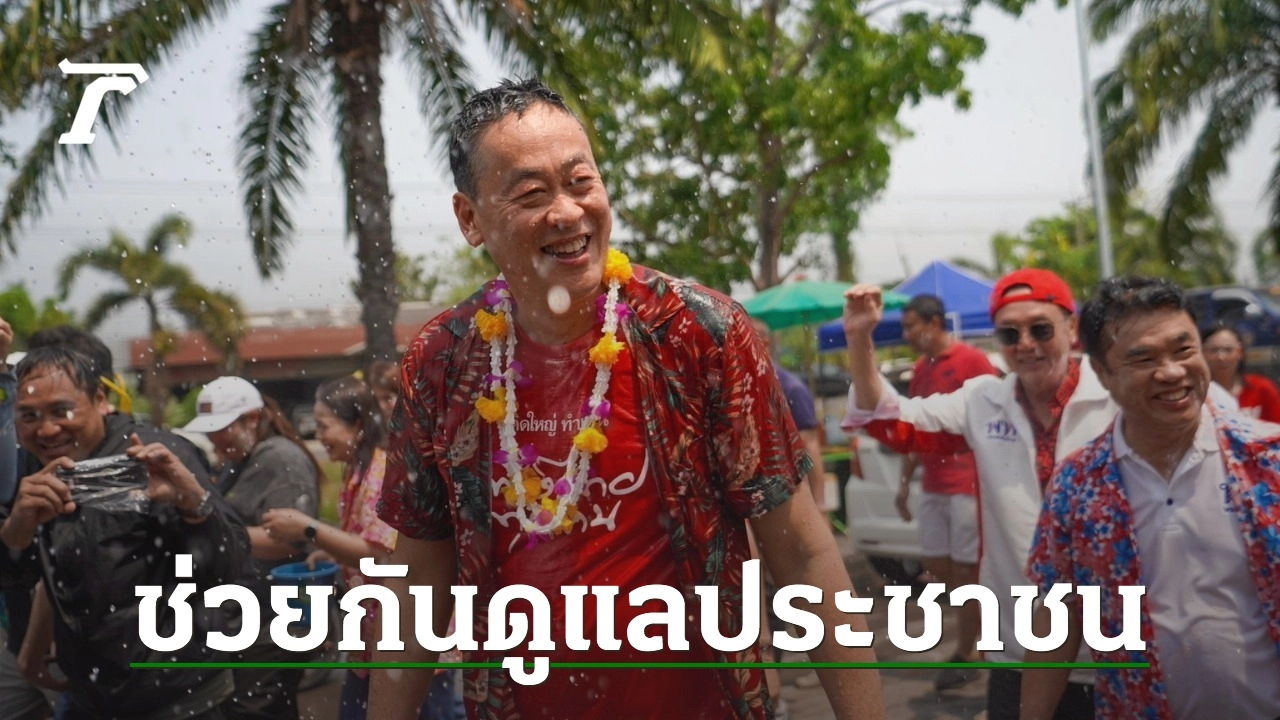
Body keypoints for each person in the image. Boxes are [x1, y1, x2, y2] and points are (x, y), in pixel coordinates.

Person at [368, 78, 885, 720]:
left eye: (580, 181)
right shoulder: (442, 362)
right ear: (470, 219)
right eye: (531, 194)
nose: (567, 212)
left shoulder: (696, 333)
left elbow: (802, 554)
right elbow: (419, 579)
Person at [1021, 276, 1280, 719]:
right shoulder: (1077, 485)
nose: (1172, 372)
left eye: (1184, 350)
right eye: (1143, 358)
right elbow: (1056, 619)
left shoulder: (1268, 460)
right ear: (1102, 373)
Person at [0, 345, 250, 719]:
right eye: (29, 416)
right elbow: (50, 572)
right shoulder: (39, 468)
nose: (47, 429)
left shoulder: (151, 456)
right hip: (93, 696)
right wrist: (16, 532)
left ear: (100, 400)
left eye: (61, 411)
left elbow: (231, 566)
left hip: (179, 697)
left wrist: (193, 505)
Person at [262, 375, 461, 720]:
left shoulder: (381, 471)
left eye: (324, 426)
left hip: (408, 632)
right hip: (374, 633)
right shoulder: (359, 470)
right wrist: (334, 551)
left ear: (355, 425)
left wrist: (308, 529)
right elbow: (367, 542)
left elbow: (383, 556)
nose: (318, 436)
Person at [182, 376, 324, 720]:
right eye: (210, 430)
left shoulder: (278, 458)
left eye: (223, 428)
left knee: (255, 710)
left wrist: (214, 534)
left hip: (273, 620)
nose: (215, 439)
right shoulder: (239, 457)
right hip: (246, 617)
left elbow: (288, 543)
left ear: (253, 419)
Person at [893, 293, 999, 690]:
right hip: (933, 484)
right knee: (937, 568)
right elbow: (916, 429)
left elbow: (997, 419)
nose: (906, 334)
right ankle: (980, 637)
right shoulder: (921, 369)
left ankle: (970, 650)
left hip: (967, 483)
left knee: (967, 570)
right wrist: (904, 483)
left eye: (911, 326)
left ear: (934, 322)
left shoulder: (972, 361)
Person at [1201, 322, 1280, 422]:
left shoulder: (1262, 388)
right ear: (1203, 353)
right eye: (1214, 350)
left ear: (1240, 352)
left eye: (1228, 350)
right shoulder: (1198, 394)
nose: (1221, 357)